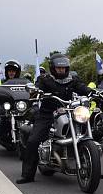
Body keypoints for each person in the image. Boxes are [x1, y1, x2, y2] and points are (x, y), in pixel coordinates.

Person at [17, 53, 92, 184]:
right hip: (48, 114)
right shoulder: (45, 79)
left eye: (63, 68)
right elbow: (37, 88)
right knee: (33, 141)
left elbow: (82, 87)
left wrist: (92, 92)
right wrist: (37, 92)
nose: (61, 70)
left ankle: (91, 166)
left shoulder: (73, 79)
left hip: (69, 111)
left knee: (87, 129)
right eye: (59, 68)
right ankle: (27, 175)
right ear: (53, 68)